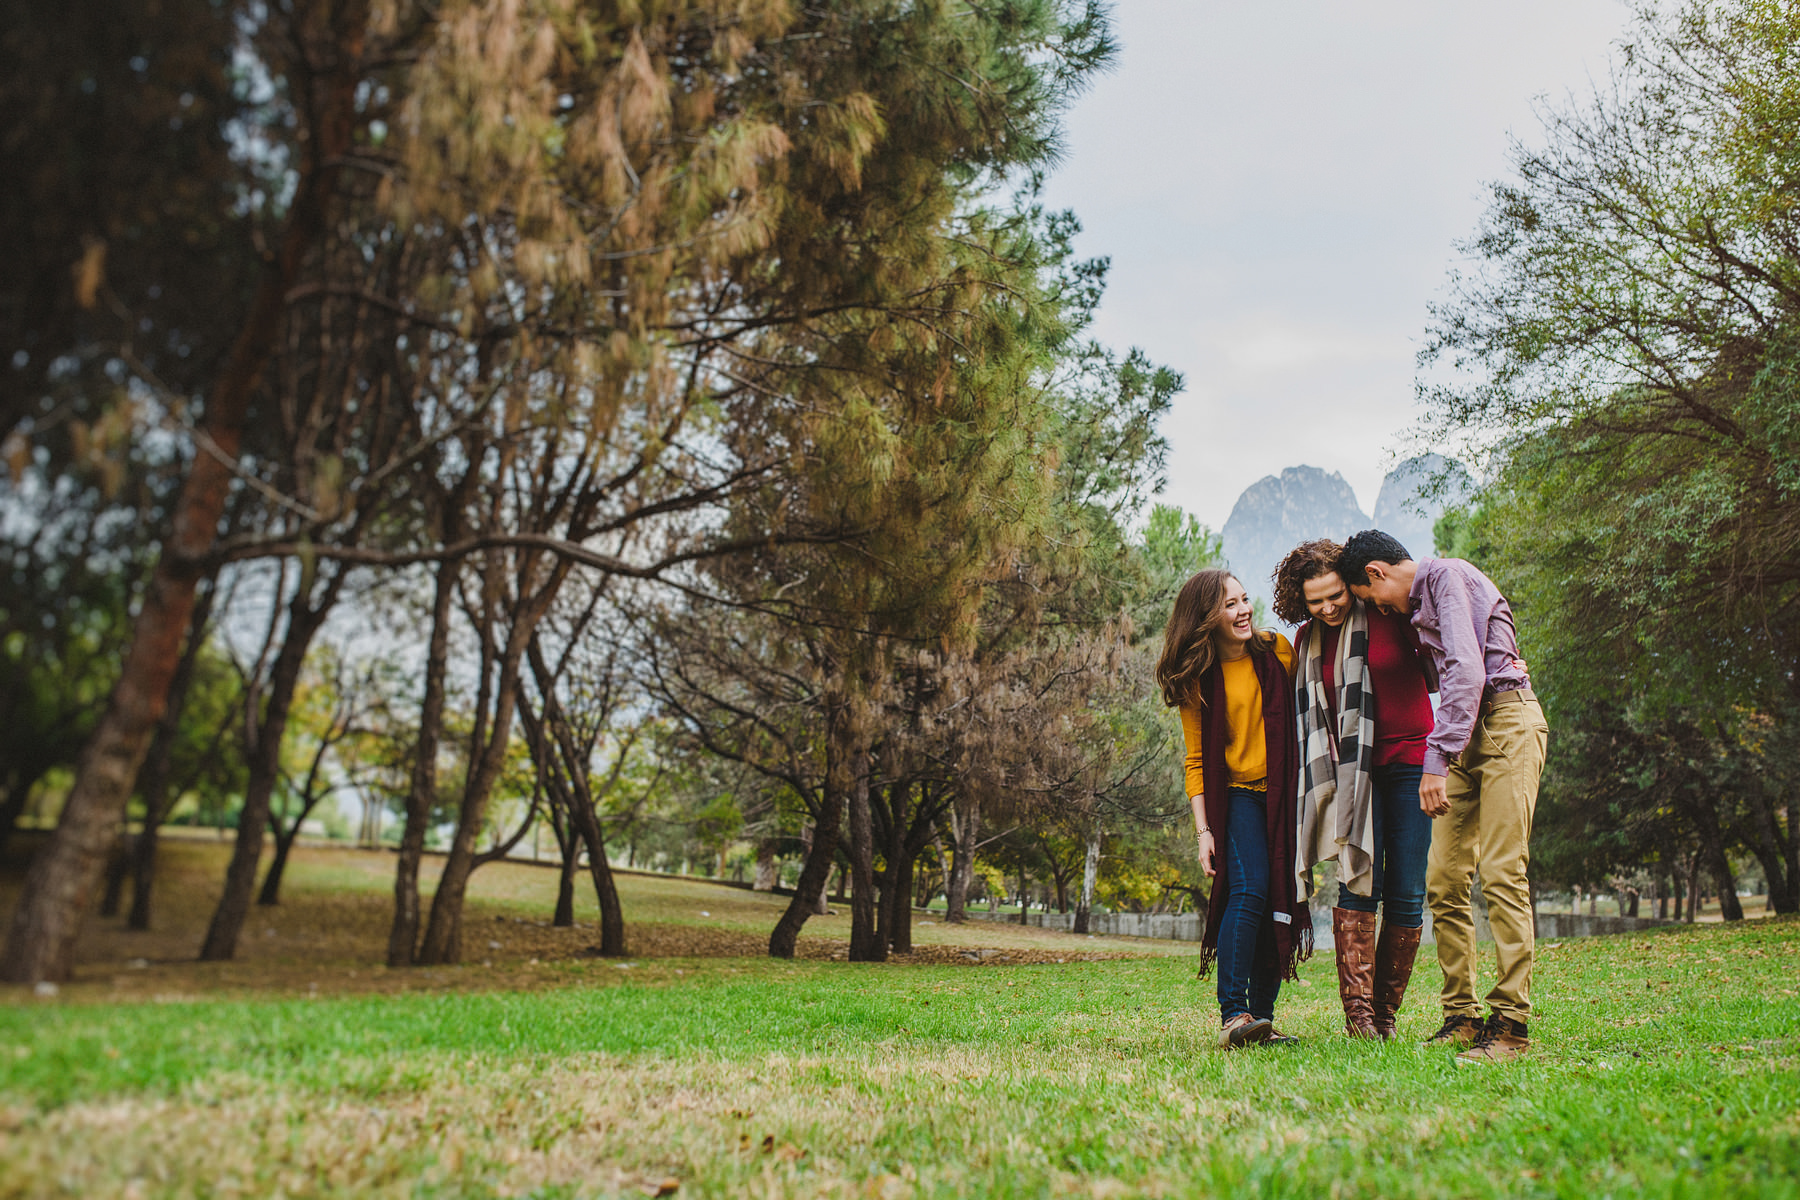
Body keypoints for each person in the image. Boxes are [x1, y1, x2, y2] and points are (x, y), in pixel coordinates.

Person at [1338, 530, 1548, 1065]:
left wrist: (1436, 761)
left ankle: (1512, 1025)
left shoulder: (1446, 577)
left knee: (1501, 872)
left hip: (1507, 723)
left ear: (1378, 574)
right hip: (1468, 735)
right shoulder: (1417, 611)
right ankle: (1462, 1015)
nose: (1377, 609)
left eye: (1369, 598)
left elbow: (1466, 669)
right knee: (1445, 880)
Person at [1272, 539, 1435, 1041]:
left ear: (1353, 583)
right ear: (1301, 601)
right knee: (1358, 880)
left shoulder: (1390, 612)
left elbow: (1438, 666)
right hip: (1351, 777)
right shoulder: (1306, 641)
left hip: (1410, 763)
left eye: (1336, 595)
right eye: (1316, 601)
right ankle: (1360, 1019)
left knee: (1407, 891)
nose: (1328, 607)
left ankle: (1385, 1015)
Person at [1155, 568, 1311, 1049]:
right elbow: (1197, 761)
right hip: (1239, 796)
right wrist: (1204, 832)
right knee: (1249, 890)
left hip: (1286, 796)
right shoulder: (1196, 679)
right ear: (1207, 616)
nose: (1244, 611)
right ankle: (1233, 1014)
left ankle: (1261, 1019)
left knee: (1281, 897)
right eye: (1231, 604)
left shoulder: (1276, 651)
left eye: (1245, 600)